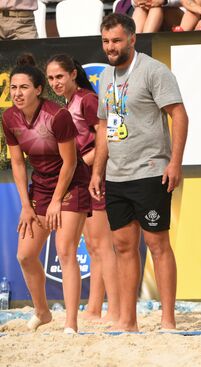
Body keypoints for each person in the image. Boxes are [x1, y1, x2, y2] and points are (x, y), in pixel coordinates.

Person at [91, 13, 189, 331]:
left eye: (117, 40)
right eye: (106, 41)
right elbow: (105, 126)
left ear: (132, 38)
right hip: (116, 174)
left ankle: (168, 320)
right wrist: (97, 171)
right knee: (122, 246)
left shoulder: (153, 70)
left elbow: (179, 115)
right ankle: (128, 321)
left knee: (157, 244)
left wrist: (174, 162)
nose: (111, 47)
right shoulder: (106, 76)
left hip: (150, 170)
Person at [1, 54, 91, 333]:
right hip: (40, 186)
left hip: (71, 183)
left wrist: (55, 202)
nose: (17, 93)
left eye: (24, 87)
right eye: (13, 87)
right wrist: (26, 206)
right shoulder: (9, 117)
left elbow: (71, 161)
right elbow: (17, 162)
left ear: (39, 90)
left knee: (65, 252)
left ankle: (71, 325)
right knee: (25, 256)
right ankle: (43, 312)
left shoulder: (57, 115)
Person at [46, 54, 120, 323]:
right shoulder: (68, 103)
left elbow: (108, 136)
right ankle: (94, 308)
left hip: (97, 178)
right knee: (93, 246)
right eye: (51, 78)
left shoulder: (87, 100)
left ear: (73, 74)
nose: (55, 82)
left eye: (60, 77)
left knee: (102, 246)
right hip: (83, 180)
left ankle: (115, 310)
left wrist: (86, 166)